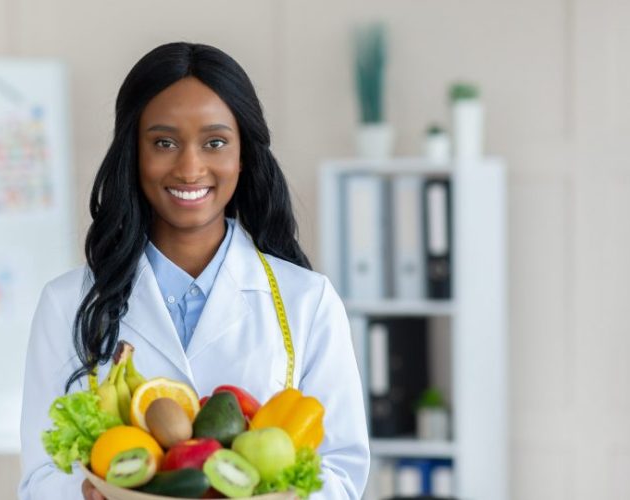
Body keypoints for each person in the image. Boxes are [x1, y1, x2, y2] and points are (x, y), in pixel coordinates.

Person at [19, 41, 369, 500]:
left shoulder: (308, 301)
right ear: (134, 154)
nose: (189, 167)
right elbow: (41, 475)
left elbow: (341, 471)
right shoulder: (67, 304)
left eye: (215, 143)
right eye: (164, 142)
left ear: (242, 156)